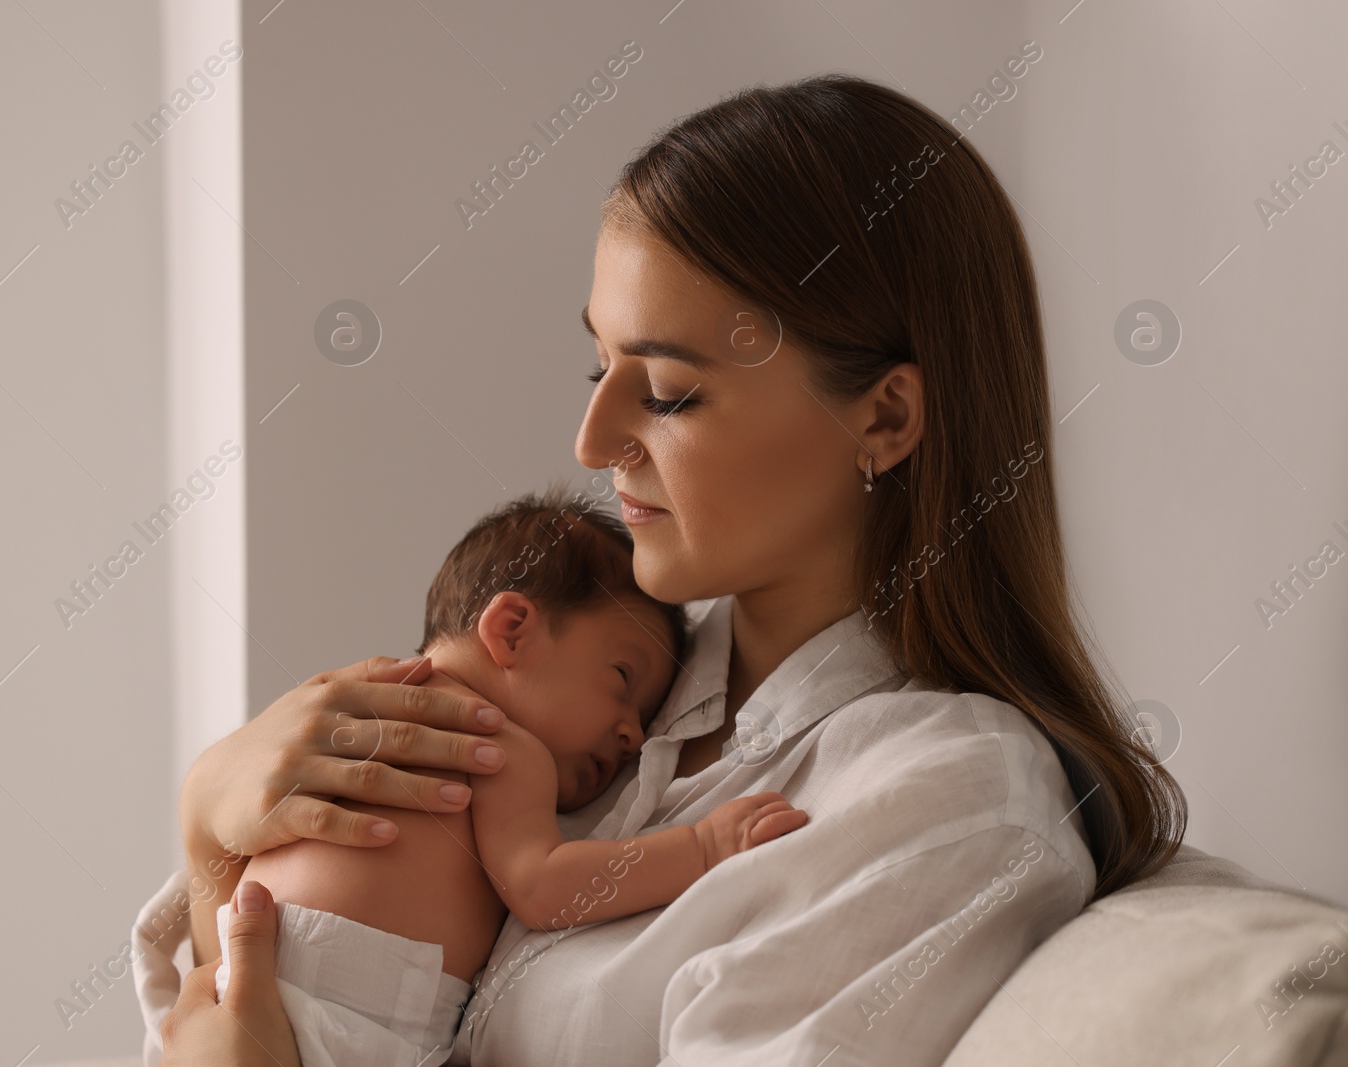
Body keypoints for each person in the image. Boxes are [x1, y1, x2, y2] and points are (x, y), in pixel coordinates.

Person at [142, 71, 1187, 1065]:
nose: (592, 441)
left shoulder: (941, 795)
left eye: (670, 391)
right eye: (599, 368)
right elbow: (280, 981)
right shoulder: (594, 696)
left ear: (883, 415)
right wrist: (206, 830)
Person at [205, 491, 809, 1065]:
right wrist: (700, 847)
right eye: (623, 678)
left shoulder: (350, 703)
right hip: (349, 1017)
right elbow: (543, 887)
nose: (632, 737)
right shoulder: (501, 744)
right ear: (512, 629)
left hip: (251, 987)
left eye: (643, 722)